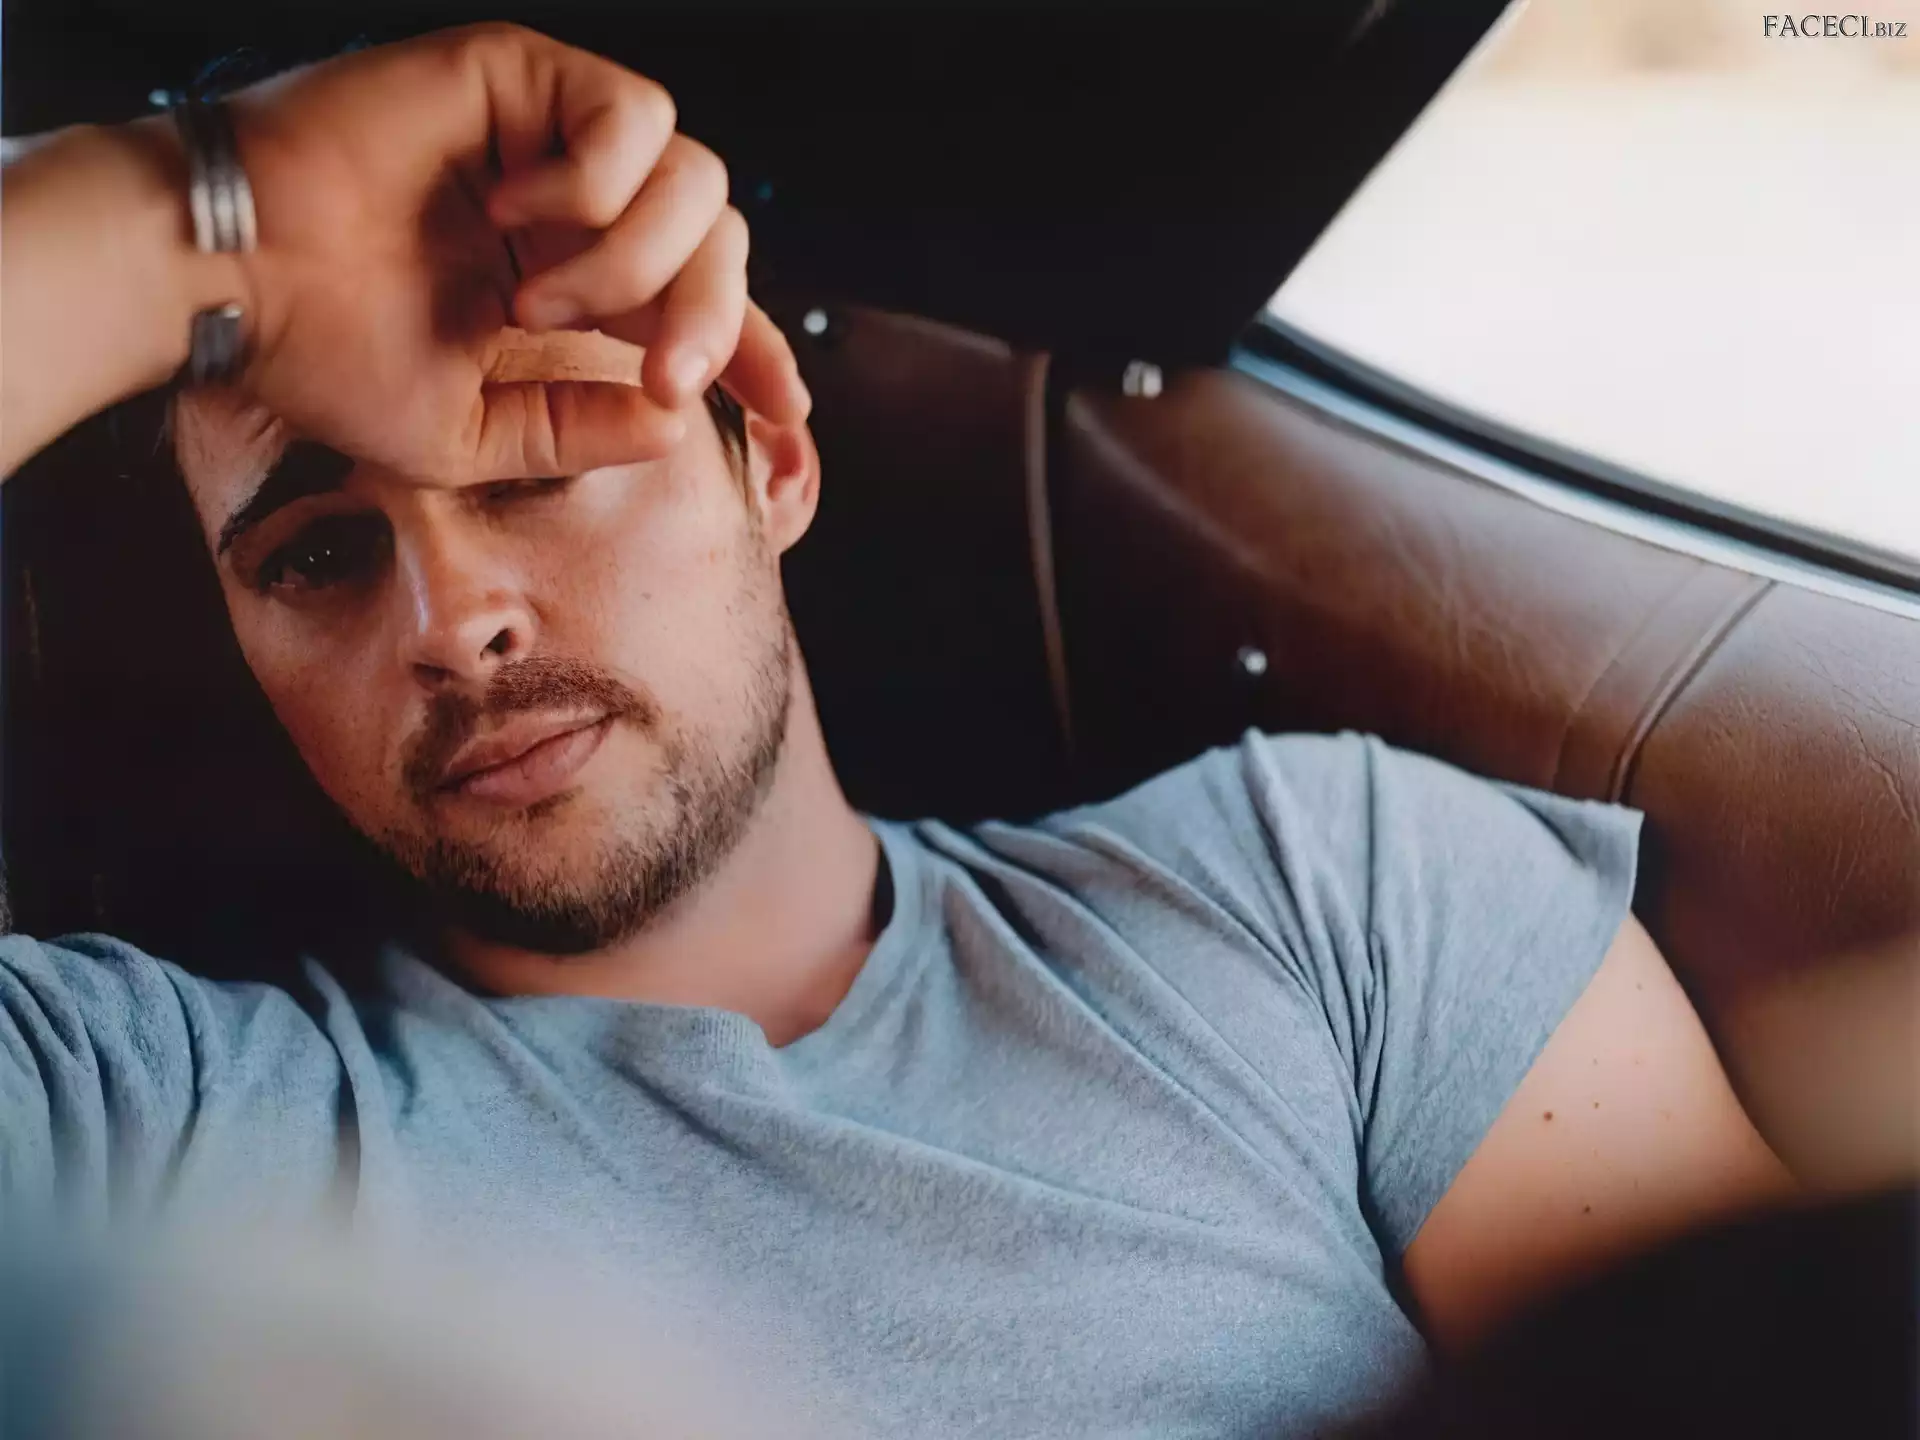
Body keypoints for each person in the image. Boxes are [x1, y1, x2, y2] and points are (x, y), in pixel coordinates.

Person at [1, 21, 1804, 1438]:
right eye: (317, 554)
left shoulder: (1334, 896)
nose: (451, 619)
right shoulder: (129, 1128)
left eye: (537, 460)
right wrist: (189, 220)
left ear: (772, 463)